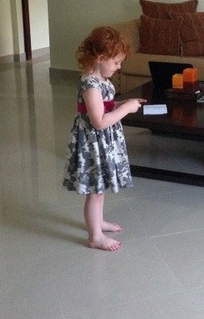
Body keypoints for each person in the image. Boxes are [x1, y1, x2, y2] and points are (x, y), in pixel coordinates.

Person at [63, 26, 146, 251]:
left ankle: (98, 223)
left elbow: (104, 105)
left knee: (100, 190)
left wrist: (121, 104)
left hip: (101, 142)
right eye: (117, 62)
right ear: (100, 58)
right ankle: (95, 236)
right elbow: (99, 121)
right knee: (96, 191)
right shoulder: (90, 85)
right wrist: (126, 109)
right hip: (93, 143)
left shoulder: (99, 80)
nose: (119, 67)